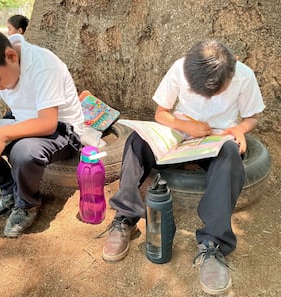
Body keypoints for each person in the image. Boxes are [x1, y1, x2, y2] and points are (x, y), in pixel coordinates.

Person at [101, 40, 265, 295]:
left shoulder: (243, 76)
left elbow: (252, 117)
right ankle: (125, 218)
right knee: (136, 140)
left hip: (217, 138)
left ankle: (213, 244)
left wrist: (241, 129)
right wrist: (188, 127)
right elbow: (161, 113)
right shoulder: (180, 67)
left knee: (231, 153)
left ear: (229, 75)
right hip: (181, 133)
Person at [0, 21, 84, 238]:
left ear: (11, 56)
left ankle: (26, 204)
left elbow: (47, 122)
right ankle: (10, 189)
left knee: (23, 152)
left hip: (62, 129)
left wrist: (0, 135)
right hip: (21, 120)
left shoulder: (44, 64)